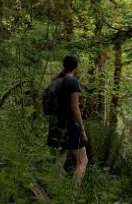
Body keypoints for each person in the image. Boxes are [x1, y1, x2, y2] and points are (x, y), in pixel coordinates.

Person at [46, 54, 89, 188]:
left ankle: (54, 188)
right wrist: (82, 129)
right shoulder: (72, 81)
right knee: (82, 160)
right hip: (70, 124)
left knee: (61, 156)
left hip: (57, 123)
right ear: (76, 66)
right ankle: (73, 194)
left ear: (64, 65)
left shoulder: (56, 80)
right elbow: (75, 108)